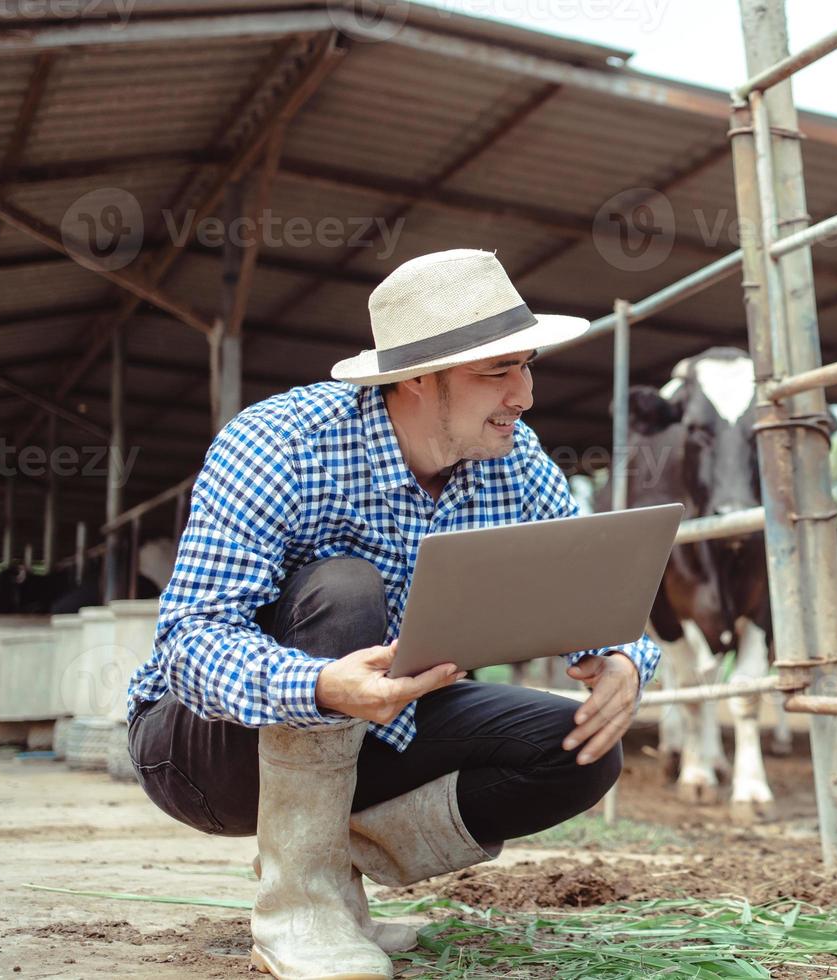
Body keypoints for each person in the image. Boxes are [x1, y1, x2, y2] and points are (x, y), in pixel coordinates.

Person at [124, 249, 660, 980]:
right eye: (496, 372)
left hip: (382, 720)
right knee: (345, 590)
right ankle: (299, 908)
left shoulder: (516, 460)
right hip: (205, 751)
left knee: (578, 749)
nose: (525, 394)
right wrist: (320, 686)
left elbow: (589, 595)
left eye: (526, 365)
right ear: (413, 377)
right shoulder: (281, 443)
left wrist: (627, 658)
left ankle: (329, 876)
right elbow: (189, 643)